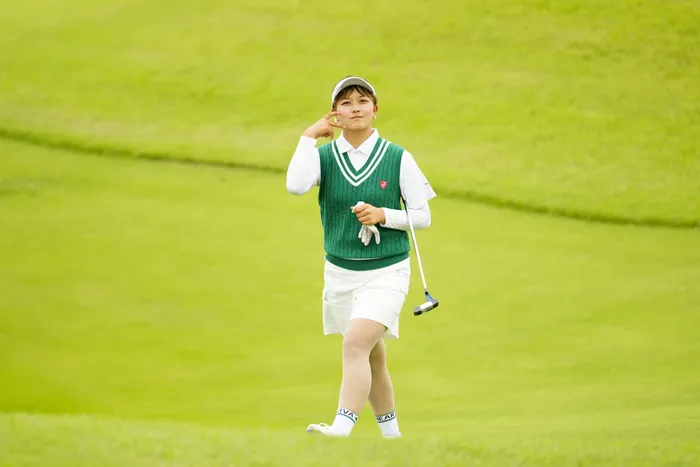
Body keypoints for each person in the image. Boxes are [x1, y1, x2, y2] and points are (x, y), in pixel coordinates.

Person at [285, 76, 437, 438]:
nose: (355, 108)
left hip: (387, 271)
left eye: (363, 101)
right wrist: (308, 137)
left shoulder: (398, 157)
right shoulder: (323, 156)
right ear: (335, 113)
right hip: (340, 272)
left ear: (375, 109)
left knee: (354, 343)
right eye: (346, 103)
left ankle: (342, 426)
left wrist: (384, 215)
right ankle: (392, 437)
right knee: (371, 355)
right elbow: (295, 185)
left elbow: (422, 216)